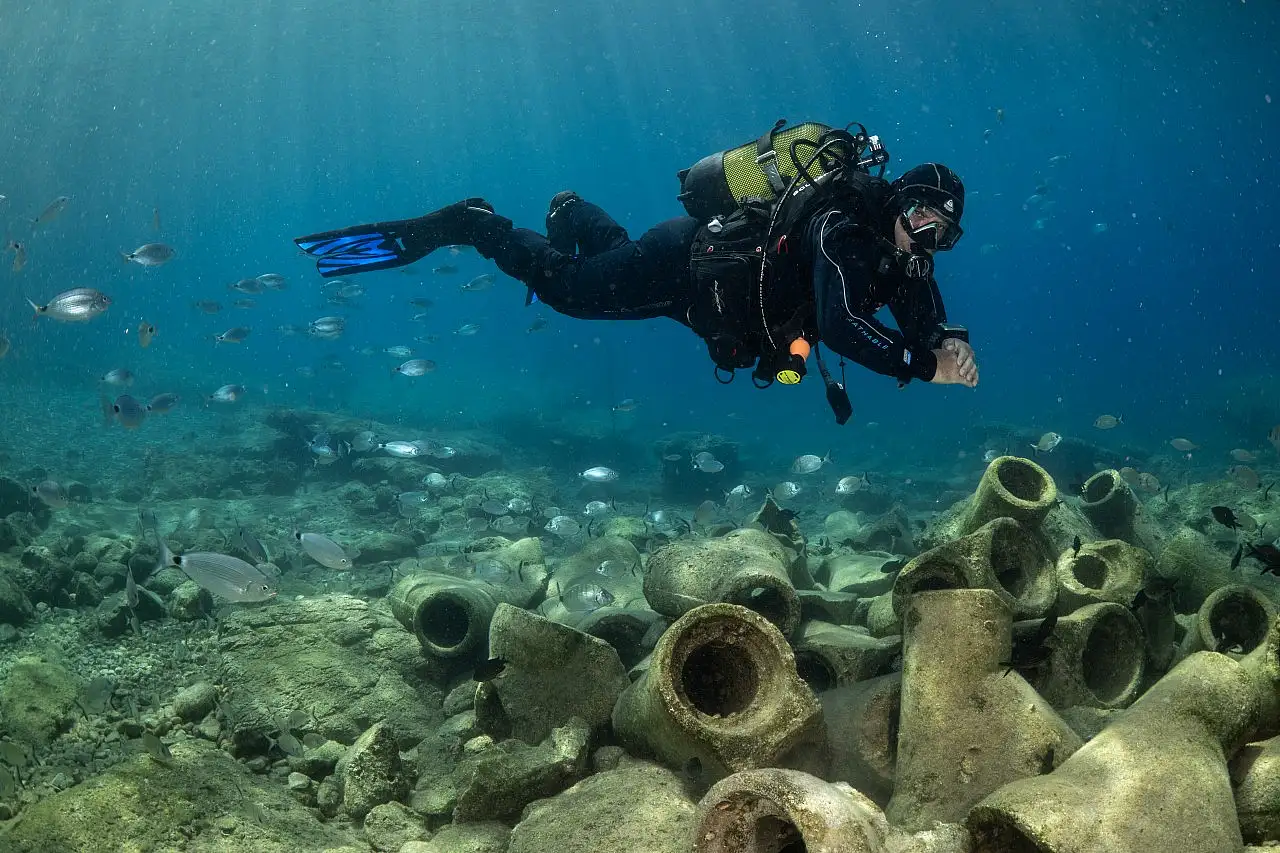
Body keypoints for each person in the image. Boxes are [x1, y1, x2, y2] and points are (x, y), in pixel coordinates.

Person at [295, 122, 978, 422]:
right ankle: (478, 224)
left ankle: (570, 210)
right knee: (568, 292)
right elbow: (839, 321)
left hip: (710, 305)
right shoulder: (843, 229)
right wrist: (924, 365)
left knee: (606, 258)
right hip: (682, 266)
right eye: (922, 221)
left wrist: (945, 333)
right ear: (899, 203)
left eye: (943, 235)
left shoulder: (901, 255)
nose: (928, 241)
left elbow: (914, 297)